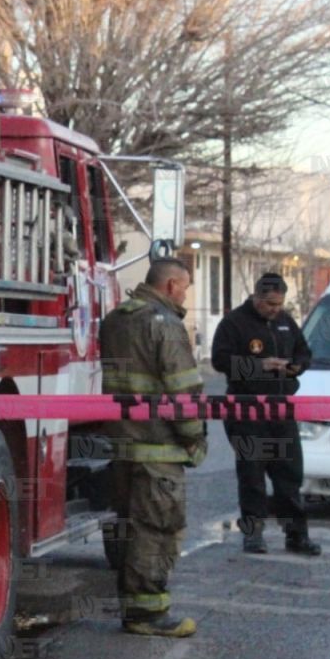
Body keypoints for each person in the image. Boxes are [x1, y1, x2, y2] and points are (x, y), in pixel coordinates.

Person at [100, 258, 207, 638]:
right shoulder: (165, 324)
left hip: (123, 446)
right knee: (157, 530)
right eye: (186, 287)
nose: (186, 294)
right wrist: (194, 437)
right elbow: (184, 390)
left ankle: (135, 609)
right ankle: (148, 615)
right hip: (159, 447)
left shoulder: (115, 320)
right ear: (171, 285)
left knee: (131, 528)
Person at [211, 272, 319, 556]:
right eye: (270, 303)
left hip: (280, 409)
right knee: (252, 475)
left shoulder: (285, 322)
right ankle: (253, 535)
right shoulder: (234, 323)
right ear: (257, 297)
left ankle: (296, 535)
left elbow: (304, 353)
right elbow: (220, 361)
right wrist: (260, 366)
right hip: (246, 412)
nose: (275, 309)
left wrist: (293, 368)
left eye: (279, 304)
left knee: (289, 475)